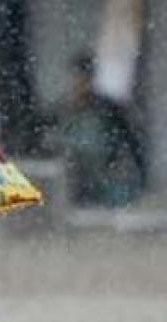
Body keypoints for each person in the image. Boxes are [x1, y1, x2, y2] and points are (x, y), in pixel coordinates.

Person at [60, 51, 147, 207]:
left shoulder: (106, 107)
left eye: (83, 78)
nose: (78, 83)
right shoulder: (66, 109)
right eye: (76, 78)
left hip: (103, 185)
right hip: (75, 188)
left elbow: (129, 141)